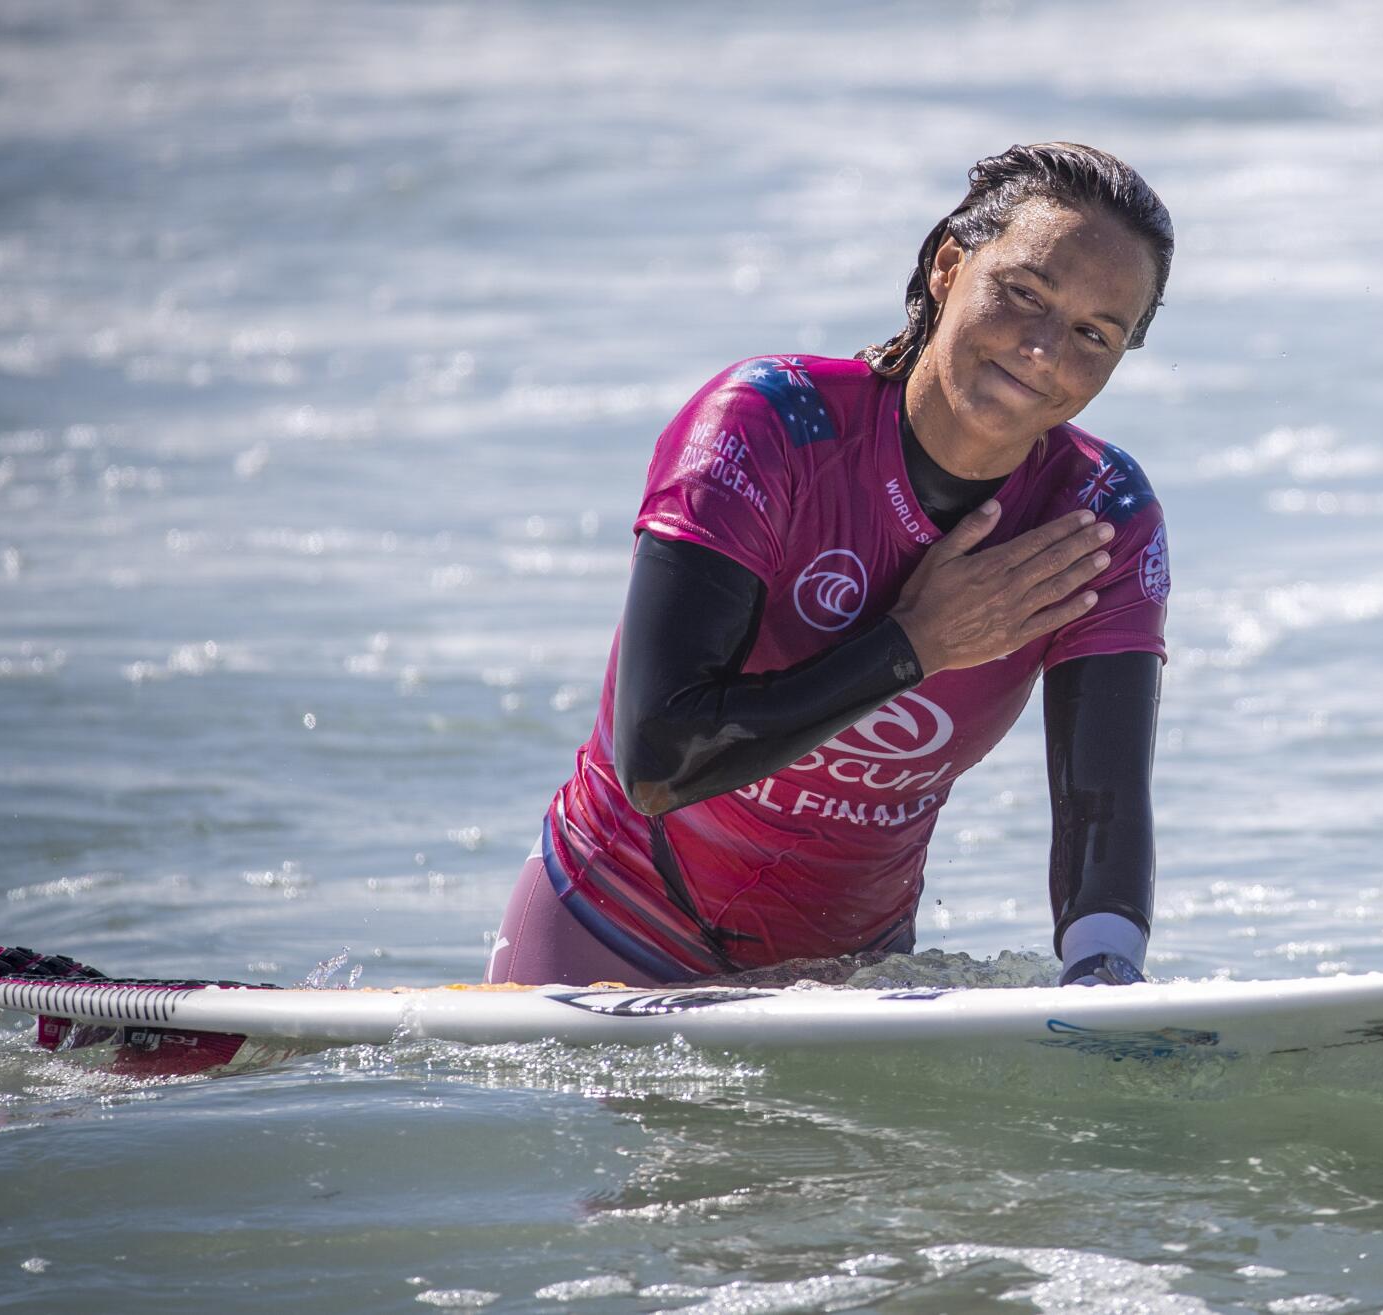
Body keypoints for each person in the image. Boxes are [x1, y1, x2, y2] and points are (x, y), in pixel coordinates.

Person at [487, 142, 1173, 990]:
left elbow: (1100, 806)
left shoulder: (1097, 515)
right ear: (949, 266)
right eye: (1025, 293)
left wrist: (1105, 975)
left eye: (1091, 334)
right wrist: (914, 644)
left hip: (843, 985)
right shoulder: (769, 427)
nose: (1042, 349)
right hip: (608, 929)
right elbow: (660, 758)